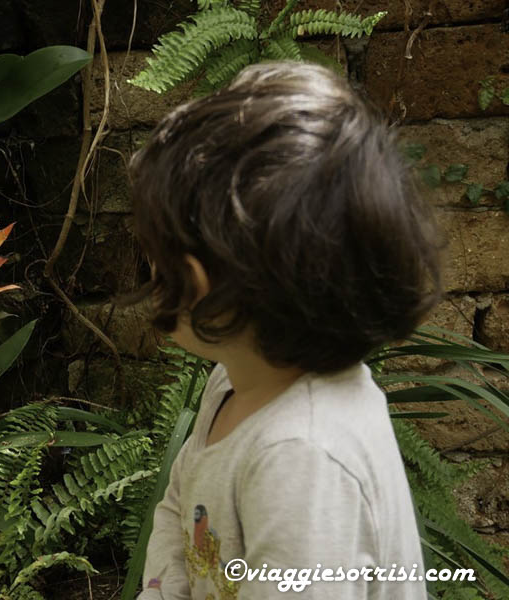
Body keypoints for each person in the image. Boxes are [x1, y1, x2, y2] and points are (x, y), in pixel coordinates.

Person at [122, 60, 446, 599]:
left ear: (199, 283)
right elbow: (180, 505)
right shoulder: (233, 383)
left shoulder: (303, 458)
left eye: (155, 255)